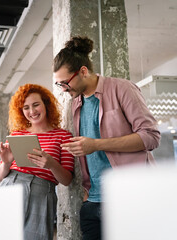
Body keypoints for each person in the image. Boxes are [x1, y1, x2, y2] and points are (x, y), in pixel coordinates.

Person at [53, 36, 161, 240]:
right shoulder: (75, 104)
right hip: (93, 204)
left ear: (83, 71)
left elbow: (151, 137)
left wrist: (96, 145)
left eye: (65, 83)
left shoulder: (122, 88)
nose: (64, 89)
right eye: (60, 85)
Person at [0, 84, 75, 240]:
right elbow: (0, 176)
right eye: (26, 107)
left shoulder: (62, 136)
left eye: (36, 104)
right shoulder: (17, 135)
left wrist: (52, 164)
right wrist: (6, 162)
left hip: (42, 191)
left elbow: (67, 180)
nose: (32, 111)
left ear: (46, 103)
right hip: (11, 185)